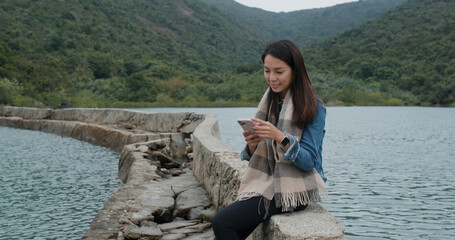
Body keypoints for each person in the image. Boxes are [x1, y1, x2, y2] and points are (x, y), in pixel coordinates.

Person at [212, 40, 328, 240]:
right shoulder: (270, 101)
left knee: (222, 222)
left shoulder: (313, 107)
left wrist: (279, 136)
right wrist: (252, 143)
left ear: (295, 70)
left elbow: (309, 161)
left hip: (295, 189)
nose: (272, 78)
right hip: (267, 182)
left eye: (279, 71)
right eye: (267, 71)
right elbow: (250, 157)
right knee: (232, 230)